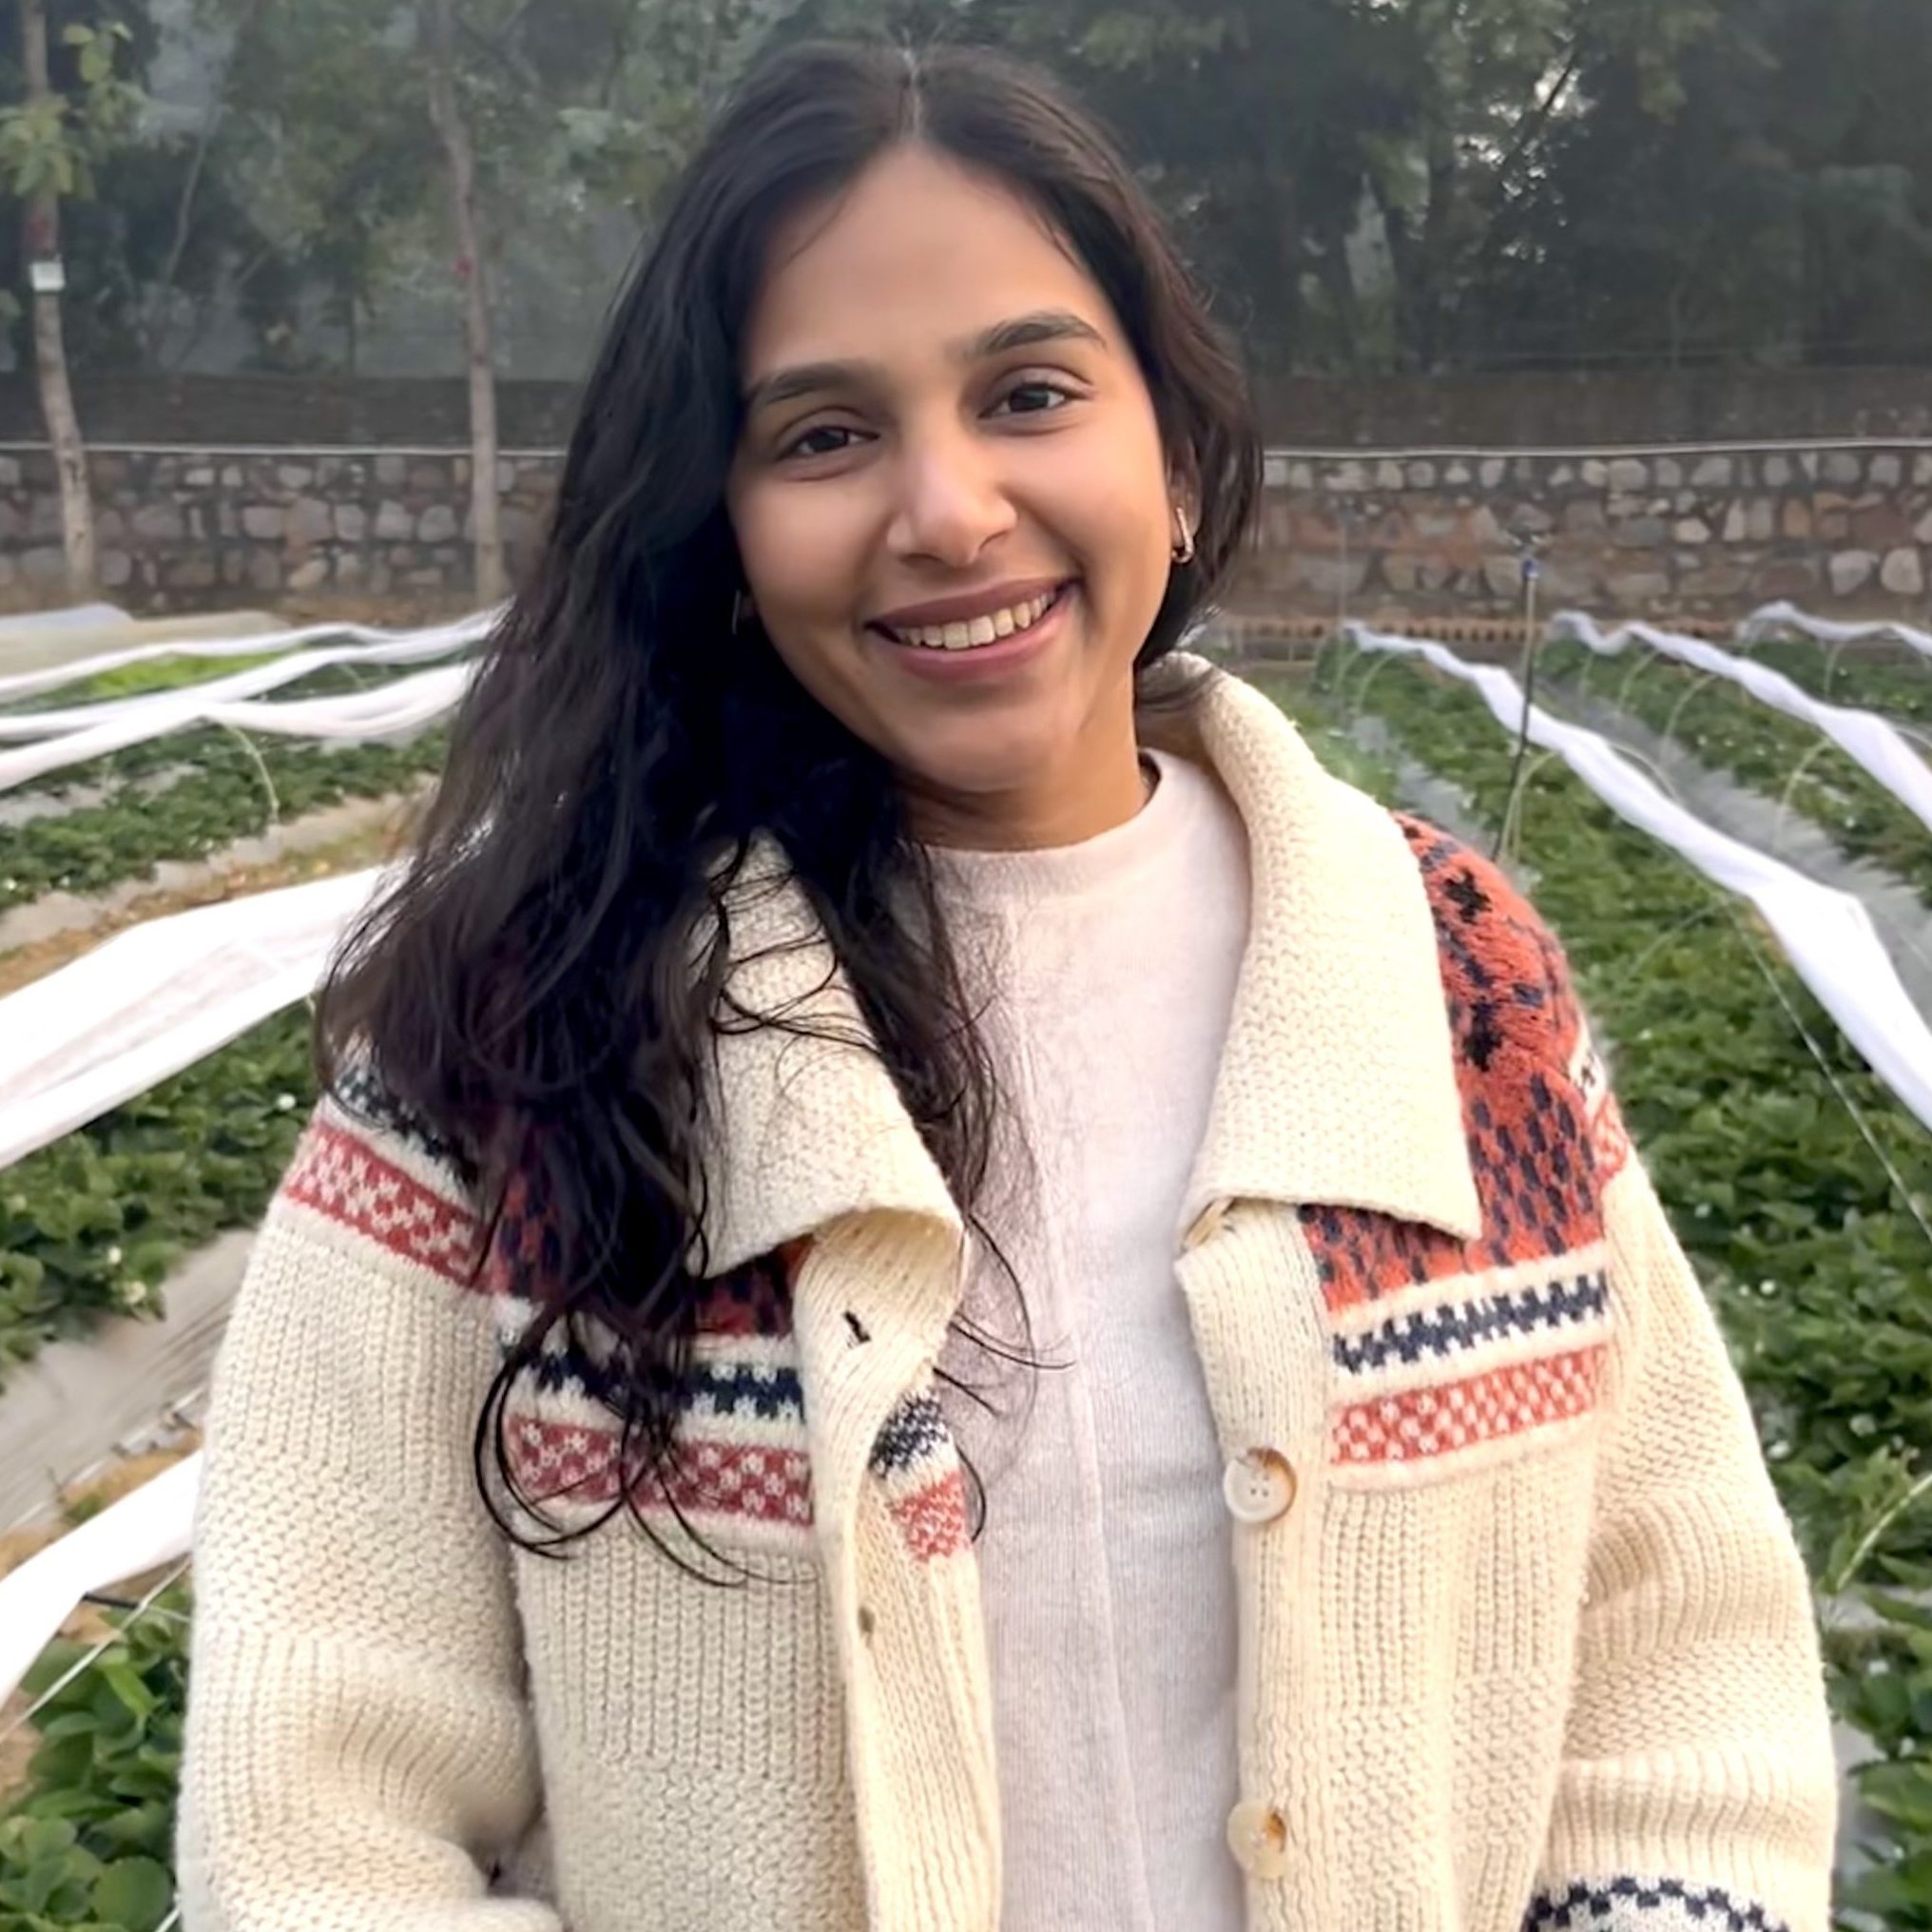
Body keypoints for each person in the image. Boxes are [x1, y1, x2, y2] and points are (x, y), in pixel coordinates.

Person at [175, 35, 1838, 1932]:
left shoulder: (1447, 982)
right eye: (821, 433)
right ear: (715, 529)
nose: (947, 508)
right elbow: (314, 1833)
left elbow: (1672, 1654)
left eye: (1027, 390)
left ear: (1175, 455)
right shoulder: (513, 1034)